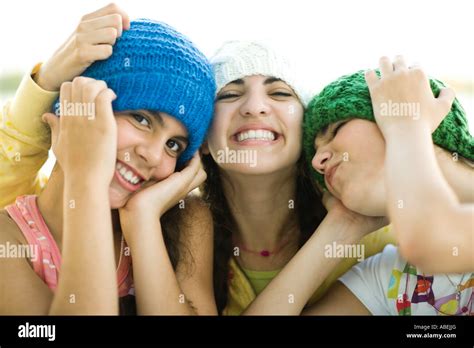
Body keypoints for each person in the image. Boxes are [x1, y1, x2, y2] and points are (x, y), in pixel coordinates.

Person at [0, 6, 216, 315]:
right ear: (72, 111)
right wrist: (85, 177)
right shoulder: (9, 238)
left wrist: (142, 221)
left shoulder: (185, 220)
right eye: (141, 119)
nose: (153, 156)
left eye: (173, 144)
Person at [203, 41, 396, 315]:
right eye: (230, 94)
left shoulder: (382, 237)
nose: (255, 107)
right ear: (202, 140)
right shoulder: (180, 238)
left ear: (307, 131)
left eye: (280, 93)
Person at [300, 57, 473, 315]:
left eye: (336, 129)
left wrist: (405, 124)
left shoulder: (425, 243)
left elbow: (431, 241)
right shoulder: (392, 279)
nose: (317, 162)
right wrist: (341, 227)